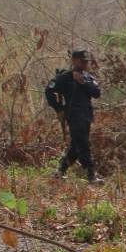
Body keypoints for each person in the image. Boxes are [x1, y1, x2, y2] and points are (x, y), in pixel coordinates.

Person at [47, 48, 101, 183]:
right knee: (83, 144)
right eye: (81, 62)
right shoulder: (64, 77)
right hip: (73, 115)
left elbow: (96, 93)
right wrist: (58, 109)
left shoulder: (88, 78)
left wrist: (83, 82)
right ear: (74, 61)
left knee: (76, 147)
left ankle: (60, 170)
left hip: (86, 116)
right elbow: (49, 91)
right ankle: (91, 174)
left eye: (85, 62)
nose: (84, 64)